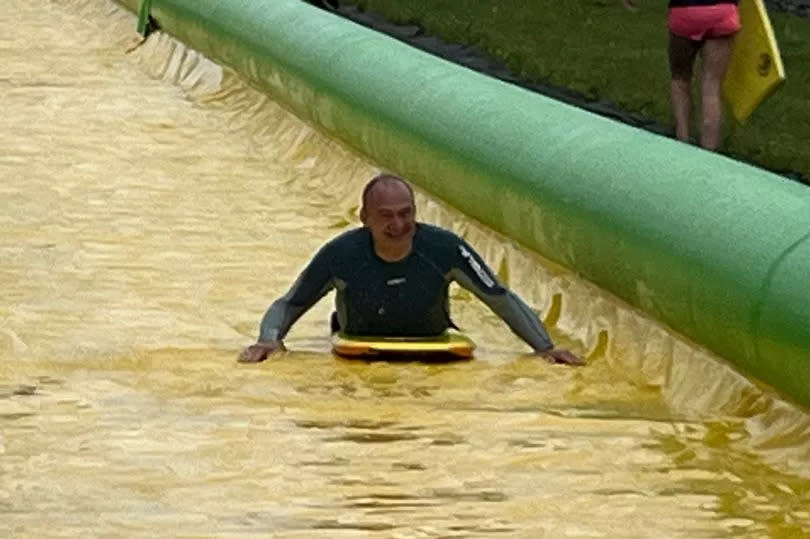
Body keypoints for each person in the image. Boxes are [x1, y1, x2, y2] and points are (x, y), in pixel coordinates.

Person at [239, 174, 584, 365]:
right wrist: (269, 340)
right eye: (387, 215)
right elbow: (290, 303)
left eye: (406, 213)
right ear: (365, 218)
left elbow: (498, 296)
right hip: (361, 352)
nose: (399, 224)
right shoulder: (341, 254)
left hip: (432, 346)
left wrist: (544, 347)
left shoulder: (445, 248)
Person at [624, 0, 740, 150]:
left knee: (680, 79)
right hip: (723, 11)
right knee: (712, 84)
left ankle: (682, 142)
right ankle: (710, 152)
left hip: (684, 11)